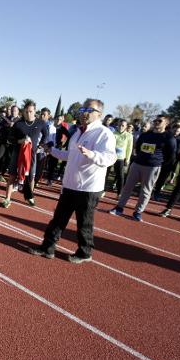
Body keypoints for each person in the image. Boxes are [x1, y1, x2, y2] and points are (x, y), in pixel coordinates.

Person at [28, 99, 116, 264]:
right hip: (70, 184)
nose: (84, 113)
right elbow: (70, 155)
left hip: (89, 187)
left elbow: (110, 158)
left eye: (89, 110)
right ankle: (48, 247)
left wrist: (92, 155)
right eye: (83, 109)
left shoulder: (104, 134)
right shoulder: (77, 133)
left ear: (99, 114)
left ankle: (85, 252)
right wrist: (52, 151)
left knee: (84, 223)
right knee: (58, 219)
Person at [109, 115, 175, 222]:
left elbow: (171, 156)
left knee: (145, 191)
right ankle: (119, 208)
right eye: (155, 120)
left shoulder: (169, 138)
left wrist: (157, 162)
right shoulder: (146, 134)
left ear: (166, 123)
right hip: (137, 164)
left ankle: (138, 212)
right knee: (127, 187)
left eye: (159, 121)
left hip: (153, 167)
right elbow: (139, 147)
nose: (156, 122)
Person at [2, 100, 47, 208]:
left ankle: (30, 196)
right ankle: (7, 198)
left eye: (31, 111)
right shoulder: (18, 123)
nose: (28, 114)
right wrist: (20, 141)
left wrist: (39, 147)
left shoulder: (40, 123)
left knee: (31, 177)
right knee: (12, 175)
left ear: (35, 111)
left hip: (32, 154)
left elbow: (45, 136)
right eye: (26, 111)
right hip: (17, 153)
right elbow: (10, 138)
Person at [152, 121, 180, 200]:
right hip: (158, 160)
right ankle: (148, 191)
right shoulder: (164, 136)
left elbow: (176, 151)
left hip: (169, 163)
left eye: (178, 131)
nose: (176, 132)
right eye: (175, 130)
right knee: (152, 177)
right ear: (171, 129)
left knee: (162, 179)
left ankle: (156, 193)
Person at [110, 119, 133, 195]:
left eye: (123, 125)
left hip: (120, 158)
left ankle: (119, 193)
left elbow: (129, 148)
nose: (120, 127)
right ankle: (101, 190)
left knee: (120, 176)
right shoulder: (113, 133)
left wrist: (127, 159)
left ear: (126, 127)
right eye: (119, 125)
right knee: (105, 174)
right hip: (110, 157)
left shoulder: (129, 136)